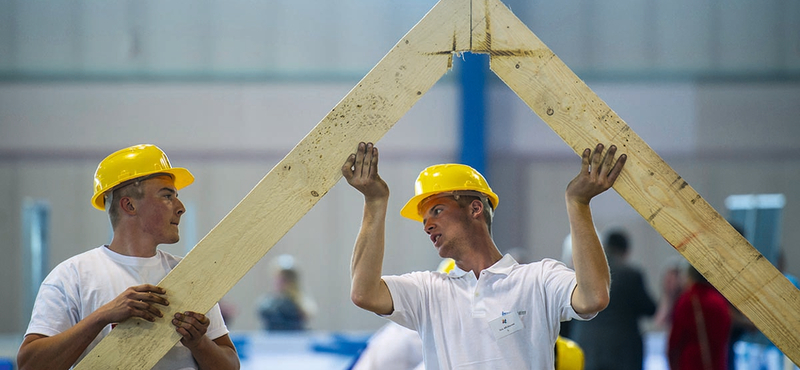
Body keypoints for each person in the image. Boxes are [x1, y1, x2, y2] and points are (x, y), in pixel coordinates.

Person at [342, 141, 626, 369]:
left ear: (475, 209)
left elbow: (593, 297)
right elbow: (364, 292)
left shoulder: (537, 280)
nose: (427, 224)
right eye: (424, 218)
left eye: (437, 211)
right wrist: (375, 203)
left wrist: (578, 204)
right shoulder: (428, 292)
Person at [16, 144, 239, 370]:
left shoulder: (189, 276)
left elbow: (231, 365)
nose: (181, 208)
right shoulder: (73, 276)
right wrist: (102, 316)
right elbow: (30, 365)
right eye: (167, 196)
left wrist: (199, 343)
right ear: (129, 205)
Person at [571, 229, 657, 370]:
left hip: (586, 347)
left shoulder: (582, 274)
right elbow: (649, 309)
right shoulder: (631, 275)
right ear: (626, 251)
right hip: (622, 352)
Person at [667, 264, 732, 370]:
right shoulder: (720, 302)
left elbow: (675, 339)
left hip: (690, 363)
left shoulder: (687, 300)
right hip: (716, 362)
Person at [257, 254, 317, 331]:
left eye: (285, 279)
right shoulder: (267, 303)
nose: (280, 282)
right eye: (279, 278)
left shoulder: (302, 305)